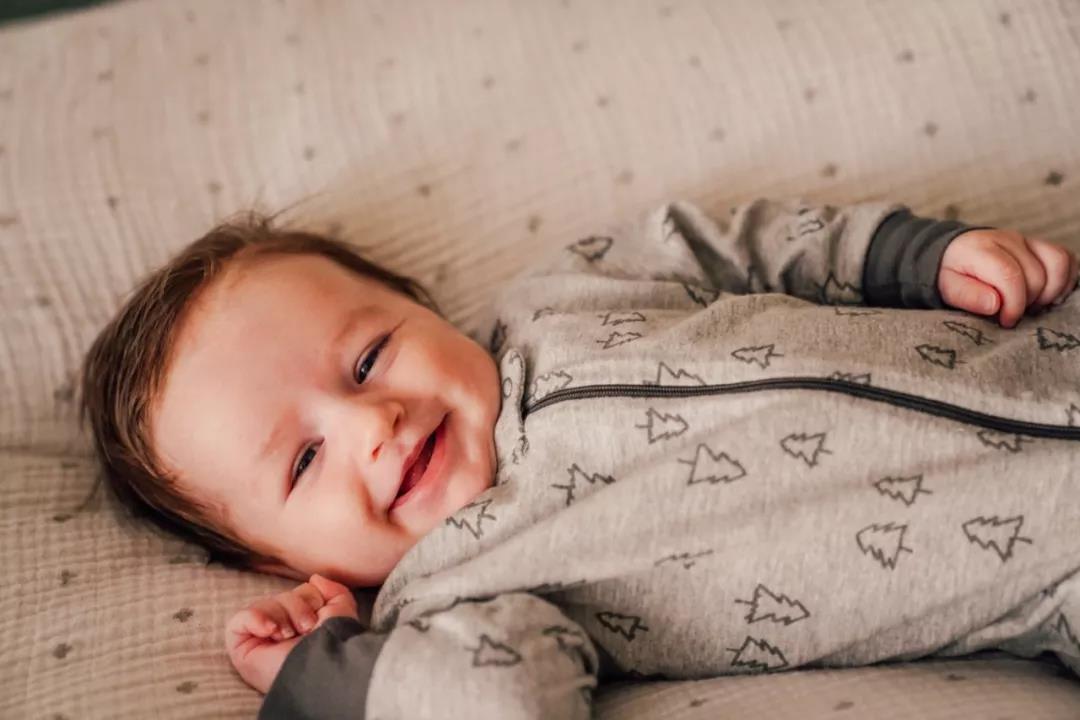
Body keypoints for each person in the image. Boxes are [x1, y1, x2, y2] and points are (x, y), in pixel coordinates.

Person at [79, 196, 1080, 718]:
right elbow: (501, 705)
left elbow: (730, 242)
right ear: (278, 560)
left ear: (420, 305)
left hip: (1042, 336)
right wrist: (324, 671)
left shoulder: (560, 295)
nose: (372, 423)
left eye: (370, 356)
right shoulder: (455, 592)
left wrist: (913, 255)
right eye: (303, 463)